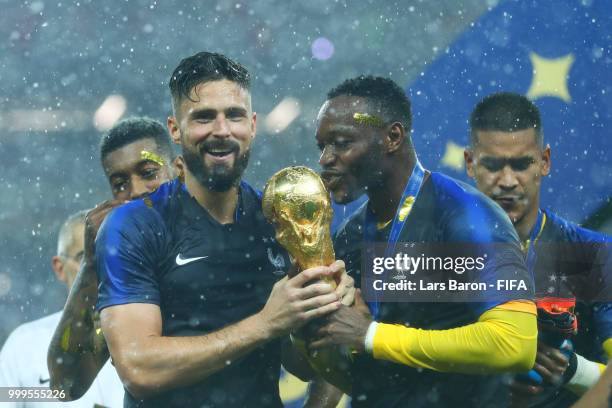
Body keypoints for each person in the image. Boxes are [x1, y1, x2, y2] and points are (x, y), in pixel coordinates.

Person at [95, 51, 351, 407]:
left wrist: (320, 312)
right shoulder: (135, 225)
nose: (221, 130)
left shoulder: (279, 219)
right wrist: (266, 323)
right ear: (174, 129)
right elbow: (139, 370)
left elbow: (308, 366)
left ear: (253, 125)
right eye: (203, 117)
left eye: (234, 115)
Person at [311, 75, 538, 407]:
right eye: (322, 146)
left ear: (392, 137)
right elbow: (344, 371)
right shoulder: (351, 234)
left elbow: (515, 343)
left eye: (342, 143)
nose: (326, 159)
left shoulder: (466, 215)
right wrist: (304, 326)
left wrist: (371, 336)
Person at [464, 92, 612, 407]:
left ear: (544, 162)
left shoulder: (594, 256)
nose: (507, 181)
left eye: (520, 164)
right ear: (470, 164)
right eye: (492, 165)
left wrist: (574, 371)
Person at [48, 117, 176, 399]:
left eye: (149, 172)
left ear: (177, 168)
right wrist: (92, 264)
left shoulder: (224, 233)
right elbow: (65, 386)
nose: (136, 190)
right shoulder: (123, 271)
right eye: (120, 183)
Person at [0, 210, 124, 407]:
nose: (100, 264)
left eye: (110, 253)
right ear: (59, 268)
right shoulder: (23, 345)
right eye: (85, 257)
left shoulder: (151, 334)